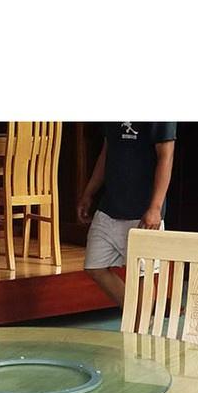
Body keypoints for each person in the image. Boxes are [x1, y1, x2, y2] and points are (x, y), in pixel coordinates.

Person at [77, 122, 177, 304]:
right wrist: (89, 192)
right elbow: (107, 151)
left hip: (143, 210)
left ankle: (140, 319)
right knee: (95, 266)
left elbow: (166, 156)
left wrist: (155, 207)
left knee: (143, 273)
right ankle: (136, 315)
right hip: (110, 205)